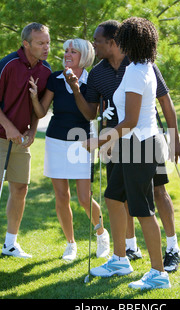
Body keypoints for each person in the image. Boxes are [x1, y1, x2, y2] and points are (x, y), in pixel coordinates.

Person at [69, 19, 180, 272]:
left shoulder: (140, 68)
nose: (94, 46)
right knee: (114, 197)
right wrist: (76, 90)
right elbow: (93, 112)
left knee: (149, 200)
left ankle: (167, 255)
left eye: (98, 41)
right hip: (121, 143)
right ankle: (124, 255)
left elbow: (152, 110)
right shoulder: (100, 72)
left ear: (117, 42)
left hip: (142, 143)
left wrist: (175, 139)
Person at [0, 22, 52, 264]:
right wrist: (9, 127)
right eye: (40, 43)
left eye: (48, 42)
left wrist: (33, 131)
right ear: (26, 44)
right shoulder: (7, 64)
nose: (46, 47)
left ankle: (10, 244)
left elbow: (40, 110)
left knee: (20, 189)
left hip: (22, 138)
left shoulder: (46, 70)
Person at [29, 38, 110, 261]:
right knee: (61, 197)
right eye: (66, 50)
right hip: (55, 140)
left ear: (83, 56)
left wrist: (75, 87)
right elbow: (41, 112)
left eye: (73, 51)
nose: (67, 54)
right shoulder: (55, 78)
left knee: (84, 198)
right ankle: (70, 243)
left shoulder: (92, 80)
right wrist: (35, 97)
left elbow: (90, 114)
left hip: (81, 142)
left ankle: (102, 234)